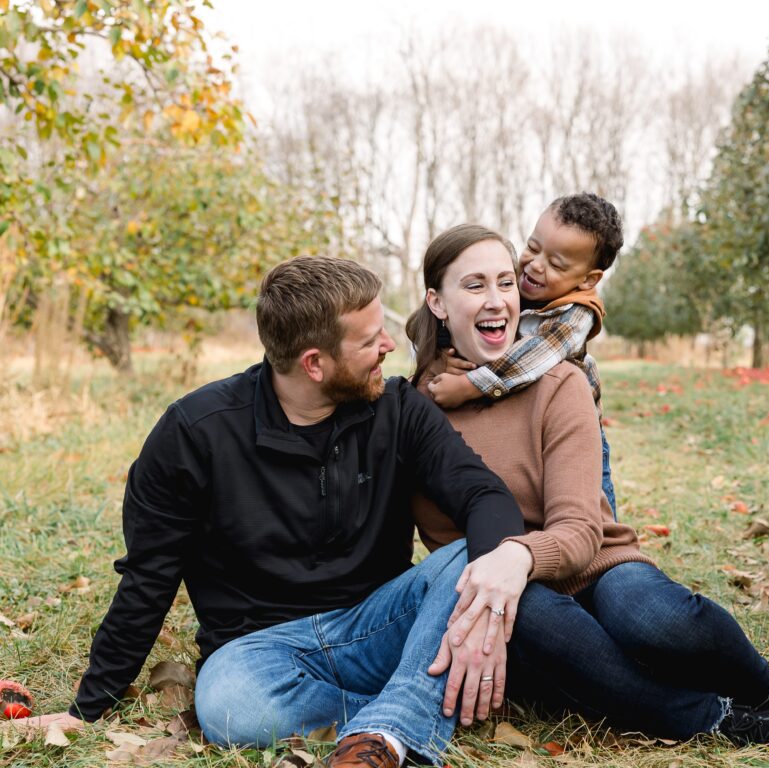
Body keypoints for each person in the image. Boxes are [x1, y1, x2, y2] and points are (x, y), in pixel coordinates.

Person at [13, 256, 535, 768]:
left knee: (479, 554)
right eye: (370, 339)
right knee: (226, 704)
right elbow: (149, 577)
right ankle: (413, 708)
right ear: (315, 363)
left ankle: (387, 731)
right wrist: (87, 708)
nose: (389, 346)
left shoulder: (397, 408)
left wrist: (495, 588)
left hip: (380, 625)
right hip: (261, 653)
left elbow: (483, 496)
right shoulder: (195, 434)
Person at [406, 224, 769, 768]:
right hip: (515, 607)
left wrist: (520, 554)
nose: (498, 299)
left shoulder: (557, 383)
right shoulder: (414, 415)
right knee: (540, 619)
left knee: (651, 618)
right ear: (437, 302)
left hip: (596, 563)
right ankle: (736, 722)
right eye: (474, 286)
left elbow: (580, 528)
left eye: (504, 282)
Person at [424, 193, 621, 517]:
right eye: (533, 247)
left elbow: (532, 357)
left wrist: (469, 385)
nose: (535, 265)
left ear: (587, 279)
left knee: (592, 510)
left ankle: (603, 547)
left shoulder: (576, 315)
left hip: (575, 432)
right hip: (521, 423)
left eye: (556, 264)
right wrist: (438, 360)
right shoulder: (513, 287)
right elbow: (443, 322)